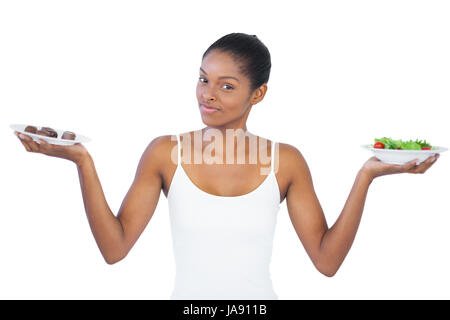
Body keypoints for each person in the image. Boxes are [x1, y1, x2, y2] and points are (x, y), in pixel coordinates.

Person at [14, 32, 440, 300]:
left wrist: (366, 175)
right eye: (203, 78)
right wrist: (82, 163)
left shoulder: (285, 160)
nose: (208, 94)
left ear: (258, 94)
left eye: (227, 85)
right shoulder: (165, 152)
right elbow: (115, 249)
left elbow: (326, 262)